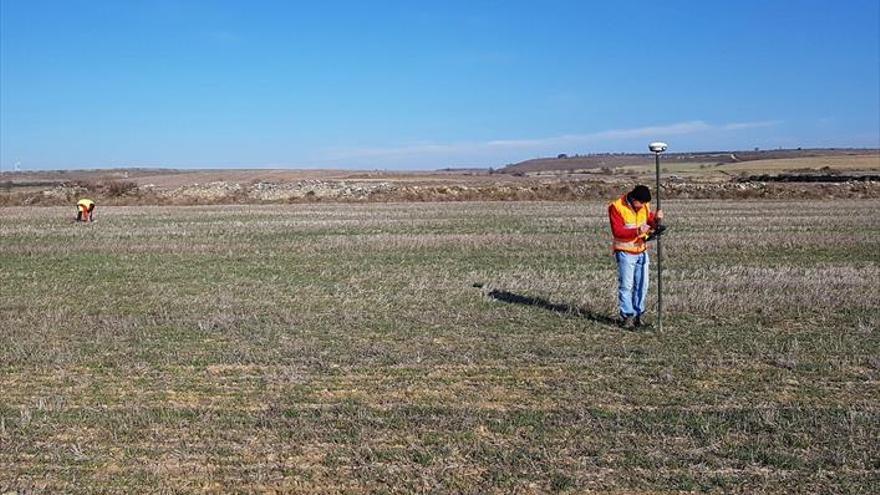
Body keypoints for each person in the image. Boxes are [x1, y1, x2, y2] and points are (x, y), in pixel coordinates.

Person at [608, 185, 664, 329]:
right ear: (634, 199)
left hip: (641, 250)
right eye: (641, 203)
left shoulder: (644, 205)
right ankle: (627, 317)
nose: (643, 206)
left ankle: (639, 315)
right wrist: (638, 230)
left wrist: (656, 220)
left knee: (642, 285)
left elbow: (649, 220)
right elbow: (618, 232)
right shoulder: (616, 207)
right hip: (625, 252)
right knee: (626, 286)